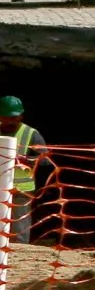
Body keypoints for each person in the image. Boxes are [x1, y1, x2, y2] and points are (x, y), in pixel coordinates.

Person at [1, 96, 39, 241]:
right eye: (6, 118)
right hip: (0, 189)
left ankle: (19, 260)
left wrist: (25, 161)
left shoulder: (31, 134)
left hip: (21, 190)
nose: (10, 121)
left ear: (21, 116)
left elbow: (45, 160)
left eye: (14, 117)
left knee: (19, 232)